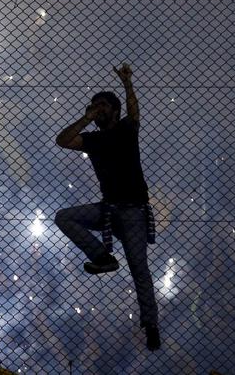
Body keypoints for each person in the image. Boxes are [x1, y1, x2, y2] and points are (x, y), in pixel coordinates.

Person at [53, 63, 161, 351]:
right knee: (64, 217)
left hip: (134, 211)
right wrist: (86, 117)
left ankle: (151, 325)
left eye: (103, 106)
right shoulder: (94, 140)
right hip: (110, 209)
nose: (98, 109)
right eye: (94, 105)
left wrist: (127, 84)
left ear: (114, 110)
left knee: (140, 267)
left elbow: (135, 113)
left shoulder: (126, 129)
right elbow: (62, 140)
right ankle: (102, 257)